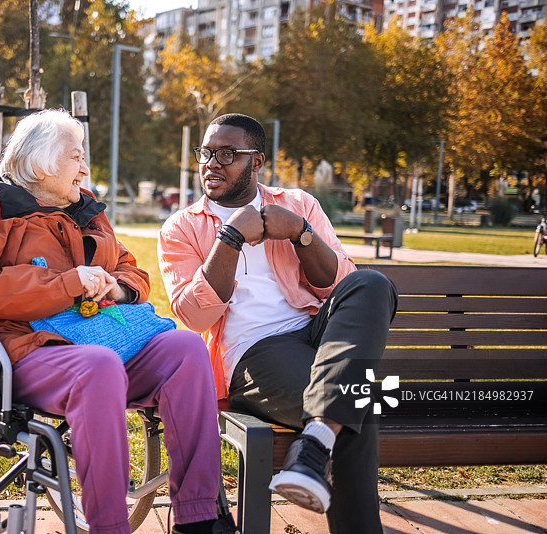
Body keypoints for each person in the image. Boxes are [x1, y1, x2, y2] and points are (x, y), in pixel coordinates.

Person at [0, 109, 228, 534]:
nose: (85, 169)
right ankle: (109, 526)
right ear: (40, 164)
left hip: (102, 335)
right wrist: (65, 285)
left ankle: (198, 515)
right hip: (27, 347)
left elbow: (130, 269)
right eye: (75, 157)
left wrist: (118, 288)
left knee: (186, 349)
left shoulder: (85, 208)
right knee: (98, 366)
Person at [158, 113, 398, 534]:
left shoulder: (299, 204)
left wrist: (301, 233)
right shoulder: (182, 227)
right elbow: (194, 316)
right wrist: (230, 238)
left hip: (317, 336)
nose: (211, 163)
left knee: (373, 283)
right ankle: (320, 437)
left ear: (256, 161)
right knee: (358, 403)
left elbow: (341, 283)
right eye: (206, 153)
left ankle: (316, 437)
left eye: (227, 154)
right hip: (254, 351)